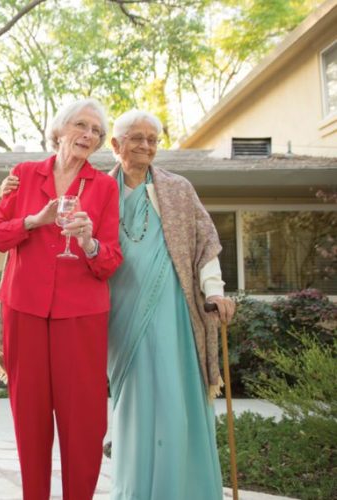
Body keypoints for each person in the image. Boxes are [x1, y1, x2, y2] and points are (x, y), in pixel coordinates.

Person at [0, 98, 122, 500]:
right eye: (81, 125)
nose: (89, 135)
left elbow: (110, 261)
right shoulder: (23, 175)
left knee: (83, 420)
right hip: (23, 309)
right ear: (59, 130)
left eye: (96, 131)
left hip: (81, 316)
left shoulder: (106, 187)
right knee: (29, 419)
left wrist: (87, 241)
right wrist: (34, 221)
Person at [105, 110, 235, 499]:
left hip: (174, 306)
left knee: (175, 396)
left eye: (152, 139)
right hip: (119, 310)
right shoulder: (96, 189)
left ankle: (184, 489)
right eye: (136, 138)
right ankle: (134, 490)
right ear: (115, 145)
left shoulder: (178, 188)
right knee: (134, 402)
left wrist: (214, 290)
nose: (146, 146)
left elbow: (205, 243)